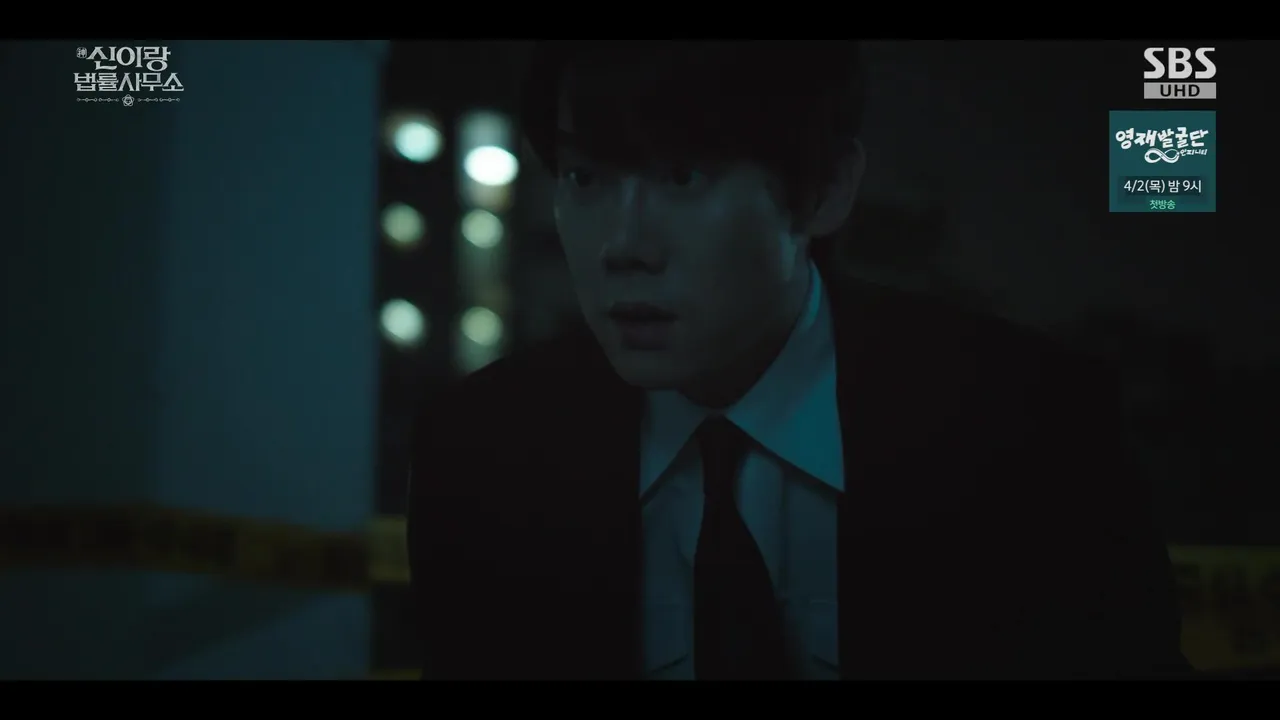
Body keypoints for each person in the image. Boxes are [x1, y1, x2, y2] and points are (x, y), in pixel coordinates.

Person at [407, 41, 1191, 680]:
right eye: (584, 177)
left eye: (683, 176)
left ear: (824, 189)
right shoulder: (480, 451)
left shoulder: (1025, 425)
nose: (623, 245)